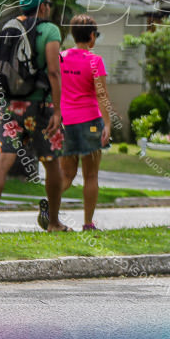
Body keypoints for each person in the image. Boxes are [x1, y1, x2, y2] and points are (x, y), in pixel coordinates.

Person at [0, 0, 67, 233]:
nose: (50, 8)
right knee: (51, 161)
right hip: (41, 107)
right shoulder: (50, 31)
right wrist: (58, 110)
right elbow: (53, 71)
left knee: (2, 160)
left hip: (11, 106)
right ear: (42, 7)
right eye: (49, 3)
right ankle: (52, 222)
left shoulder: (7, 28)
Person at [57, 14, 112, 231]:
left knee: (67, 175)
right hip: (90, 122)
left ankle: (49, 209)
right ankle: (88, 223)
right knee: (91, 175)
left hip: (65, 123)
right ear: (91, 36)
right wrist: (107, 124)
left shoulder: (60, 58)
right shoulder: (94, 61)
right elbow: (102, 95)